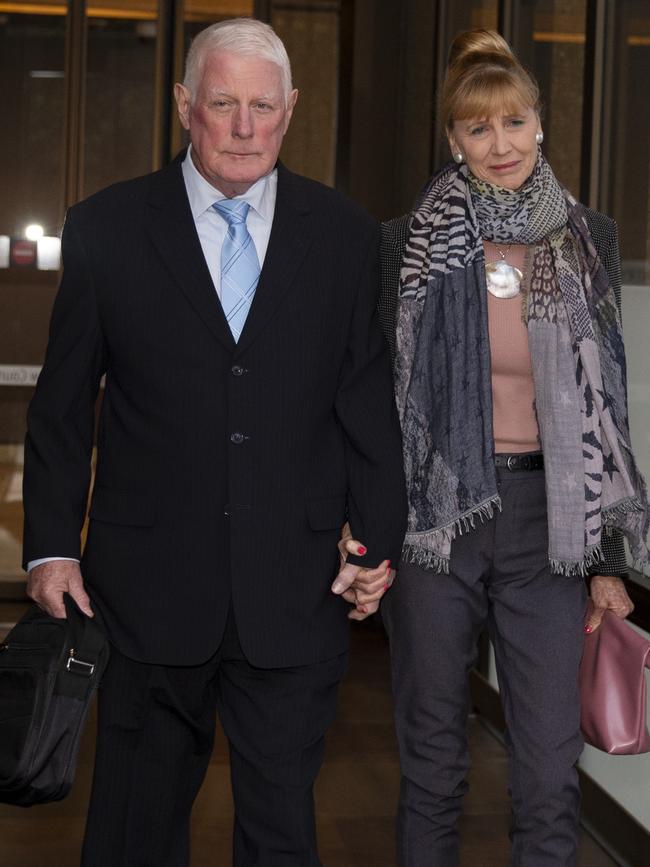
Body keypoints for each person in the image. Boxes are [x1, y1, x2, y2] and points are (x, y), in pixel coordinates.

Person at [22, 18, 406, 866]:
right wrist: (51, 549)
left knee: (280, 834)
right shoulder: (106, 228)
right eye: (223, 103)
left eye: (262, 106)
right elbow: (59, 406)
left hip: (295, 587)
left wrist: (376, 540)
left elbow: (368, 402)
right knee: (134, 829)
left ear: (290, 109)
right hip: (143, 592)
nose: (243, 126)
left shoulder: (346, 236)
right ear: (184, 106)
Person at [344, 29, 649, 867]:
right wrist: (363, 526)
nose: (501, 144)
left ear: (540, 126)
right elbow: (374, 400)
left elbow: (608, 406)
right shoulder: (405, 242)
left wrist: (609, 556)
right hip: (435, 523)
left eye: (514, 122)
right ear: (453, 140)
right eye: (479, 129)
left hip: (549, 525)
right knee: (434, 763)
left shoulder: (588, 238)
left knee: (550, 774)